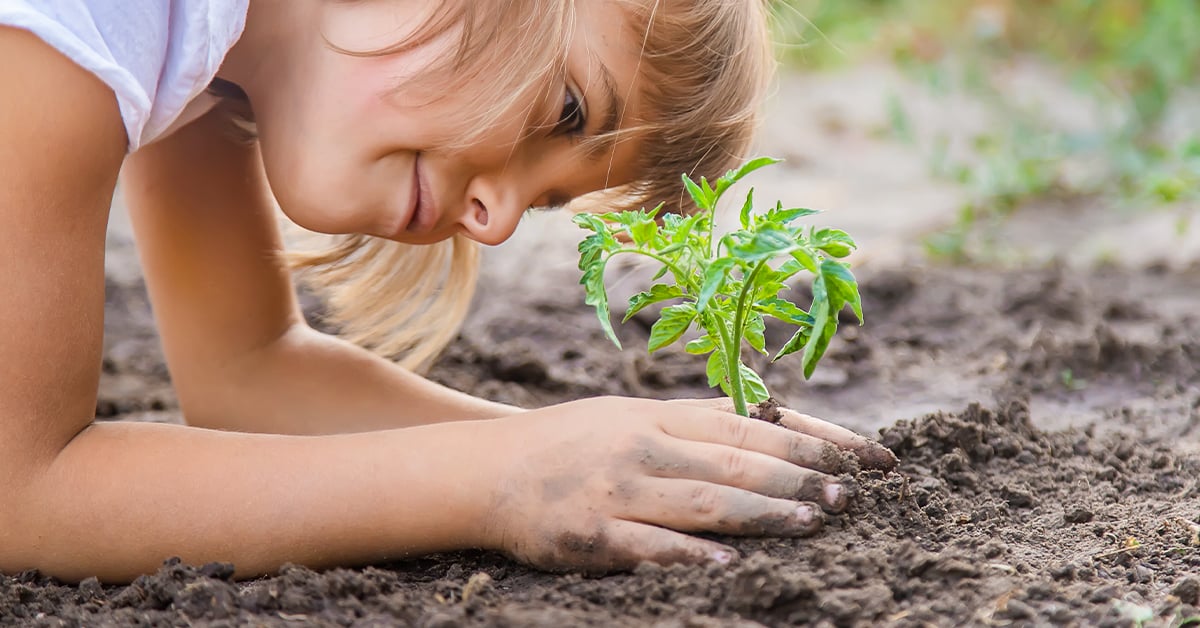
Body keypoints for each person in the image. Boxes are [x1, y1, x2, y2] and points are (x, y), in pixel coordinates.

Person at [0, 0, 897, 583]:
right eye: (568, 111)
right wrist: (496, 482)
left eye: (548, 200)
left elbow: (246, 373)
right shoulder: (82, 21)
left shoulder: (217, 62)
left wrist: (596, 455)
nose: (498, 221)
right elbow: (22, 488)